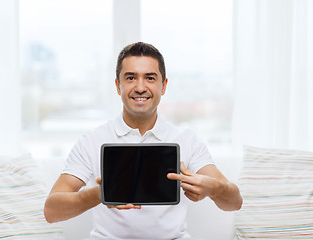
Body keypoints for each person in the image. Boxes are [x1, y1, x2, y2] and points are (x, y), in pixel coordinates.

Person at [44, 42, 242, 239]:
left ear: (163, 86)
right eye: (130, 78)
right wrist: (100, 194)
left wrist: (213, 188)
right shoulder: (92, 140)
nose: (140, 87)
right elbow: (51, 211)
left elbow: (235, 201)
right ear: (117, 85)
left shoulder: (186, 140)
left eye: (150, 78)